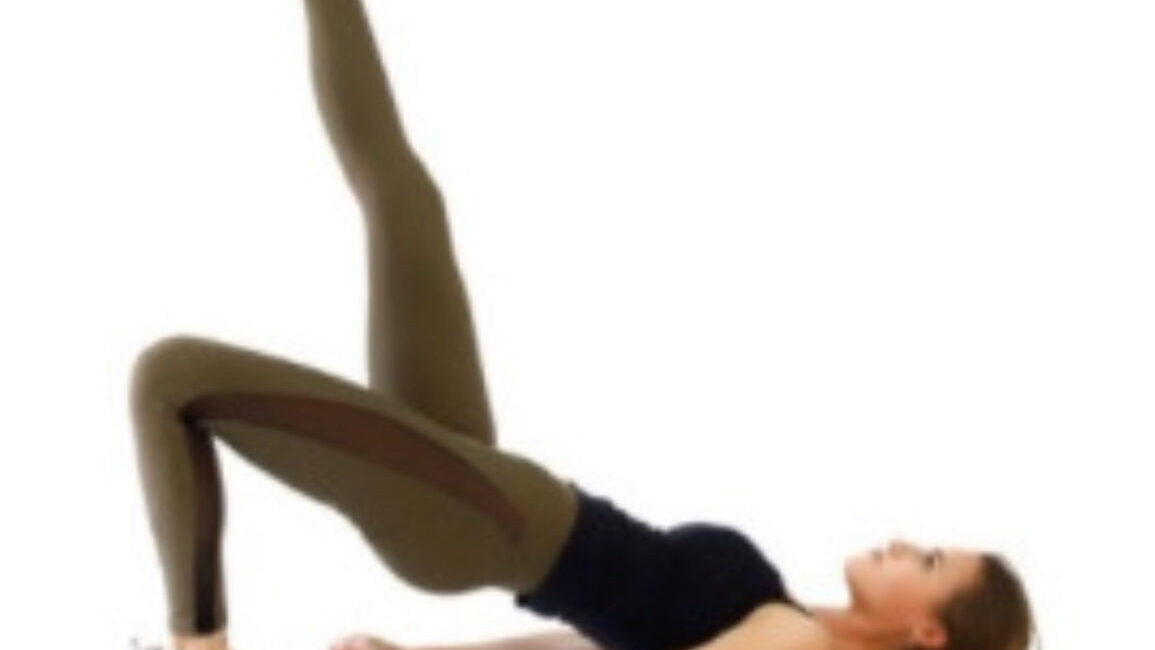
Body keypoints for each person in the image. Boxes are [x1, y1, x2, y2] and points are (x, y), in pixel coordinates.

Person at [127, 3, 1038, 650]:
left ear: (928, 632)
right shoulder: (785, 612)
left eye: (928, 560)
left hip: (486, 522)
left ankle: (197, 640)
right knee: (406, 201)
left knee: (171, 379)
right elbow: (583, 642)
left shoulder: (793, 644)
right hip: (486, 498)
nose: (902, 542)